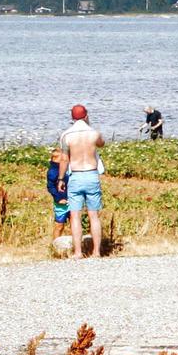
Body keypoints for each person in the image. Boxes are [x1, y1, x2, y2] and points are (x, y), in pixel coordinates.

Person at [56, 104, 106, 259]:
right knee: (93, 215)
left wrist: (60, 178)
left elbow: (64, 159)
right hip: (91, 174)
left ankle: (78, 252)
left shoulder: (66, 135)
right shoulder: (94, 133)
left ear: (72, 117)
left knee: (75, 215)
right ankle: (96, 252)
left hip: (76, 176)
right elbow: (101, 143)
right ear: (86, 116)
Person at [46, 147, 72, 255]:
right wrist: (58, 198)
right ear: (56, 159)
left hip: (71, 200)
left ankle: (74, 246)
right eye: (63, 158)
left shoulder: (67, 168)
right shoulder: (53, 172)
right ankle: (55, 246)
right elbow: (50, 187)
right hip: (61, 203)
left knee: (74, 222)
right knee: (59, 225)